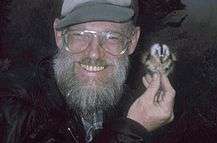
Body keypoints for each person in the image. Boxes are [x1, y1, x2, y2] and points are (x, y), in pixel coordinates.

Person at [0, 0, 175, 142]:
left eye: (112, 37)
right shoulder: (13, 108)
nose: (94, 53)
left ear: (132, 41)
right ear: (59, 36)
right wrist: (135, 128)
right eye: (80, 35)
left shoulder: (129, 103)